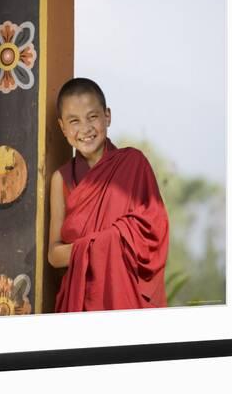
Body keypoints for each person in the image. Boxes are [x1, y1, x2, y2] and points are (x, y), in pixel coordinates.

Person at [48, 78, 169, 313]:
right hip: (81, 300)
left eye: (92, 117)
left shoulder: (133, 164)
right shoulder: (60, 179)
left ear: (108, 116)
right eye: (74, 121)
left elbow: (154, 234)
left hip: (126, 297)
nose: (84, 129)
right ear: (62, 127)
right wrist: (102, 244)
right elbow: (53, 254)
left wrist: (94, 244)